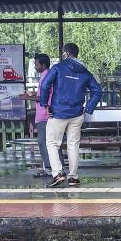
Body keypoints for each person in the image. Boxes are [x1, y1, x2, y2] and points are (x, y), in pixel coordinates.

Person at [38, 42, 102, 188]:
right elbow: (97, 91)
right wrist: (88, 108)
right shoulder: (85, 72)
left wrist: (45, 105)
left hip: (58, 113)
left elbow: (45, 85)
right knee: (73, 145)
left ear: (66, 54)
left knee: (53, 143)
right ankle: (73, 177)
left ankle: (58, 174)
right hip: (77, 113)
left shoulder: (58, 68)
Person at [21, 53, 63, 178]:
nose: (35, 66)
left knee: (45, 142)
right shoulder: (46, 75)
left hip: (45, 114)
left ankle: (51, 169)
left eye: (36, 64)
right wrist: (33, 94)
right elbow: (44, 93)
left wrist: (28, 98)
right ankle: (54, 168)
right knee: (49, 142)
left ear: (43, 65)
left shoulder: (47, 76)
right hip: (43, 114)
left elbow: (46, 97)